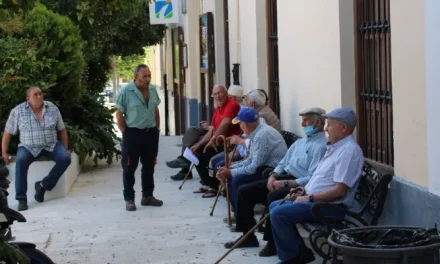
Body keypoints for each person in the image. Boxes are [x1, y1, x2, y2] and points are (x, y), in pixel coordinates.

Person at [222, 107, 327, 251]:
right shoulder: (301, 142)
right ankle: (248, 236)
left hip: (298, 184)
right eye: (302, 120)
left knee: (273, 196)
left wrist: (284, 182)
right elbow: (283, 162)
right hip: (282, 176)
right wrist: (273, 175)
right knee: (244, 191)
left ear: (319, 123)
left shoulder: (321, 146)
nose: (302, 124)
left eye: (306, 120)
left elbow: (311, 177)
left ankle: (272, 242)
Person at [269, 107, 365, 264]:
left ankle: (292, 258)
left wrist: (309, 198)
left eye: (329, 124)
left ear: (343, 128)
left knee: (279, 213)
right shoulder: (336, 147)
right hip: (317, 201)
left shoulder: (349, 151)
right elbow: (319, 178)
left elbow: (340, 192)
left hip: (331, 208)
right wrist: (303, 190)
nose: (326, 129)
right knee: (275, 205)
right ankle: (299, 252)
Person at [2, 87, 71, 211]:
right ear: (28, 98)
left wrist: (65, 147)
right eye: (35, 95)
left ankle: (42, 185)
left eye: (40, 93)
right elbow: (8, 133)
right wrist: (4, 152)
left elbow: (61, 129)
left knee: (65, 158)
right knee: (21, 161)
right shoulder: (18, 111)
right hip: (28, 146)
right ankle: (21, 199)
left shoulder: (52, 108)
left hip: (51, 145)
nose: (39, 96)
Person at [216, 107, 287, 217]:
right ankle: (238, 213)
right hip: (263, 166)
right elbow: (250, 159)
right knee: (232, 175)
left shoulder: (261, 135)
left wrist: (231, 172)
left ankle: (241, 217)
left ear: (245, 124)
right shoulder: (258, 131)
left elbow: (254, 166)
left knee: (236, 180)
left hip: (271, 171)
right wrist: (231, 168)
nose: (240, 126)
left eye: (240, 123)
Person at [167, 85, 241, 186]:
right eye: (215, 94)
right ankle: (204, 181)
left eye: (220, 93)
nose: (218, 96)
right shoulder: (218, 109)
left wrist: (213, 139)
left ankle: (211, 185)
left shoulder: (232, 105)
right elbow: (212, 130)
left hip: (229, 143)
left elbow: (225, 123)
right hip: (219, 140)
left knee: (203, 152)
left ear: (226, 93)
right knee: (195, 145)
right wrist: (200, 143)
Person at [115, 64, 162, 211]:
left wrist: (157, 129)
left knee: (149, 166)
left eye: (149, 76)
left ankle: (147, 196)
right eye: (144, 77)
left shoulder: (153, 90)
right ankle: (129, 199)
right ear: (136, 77)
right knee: (129, 167)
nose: (147, 79)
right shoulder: (126, 91)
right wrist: (125, 132)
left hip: (150, 134)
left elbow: (155, 110)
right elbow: (119, 113)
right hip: (133, 133)